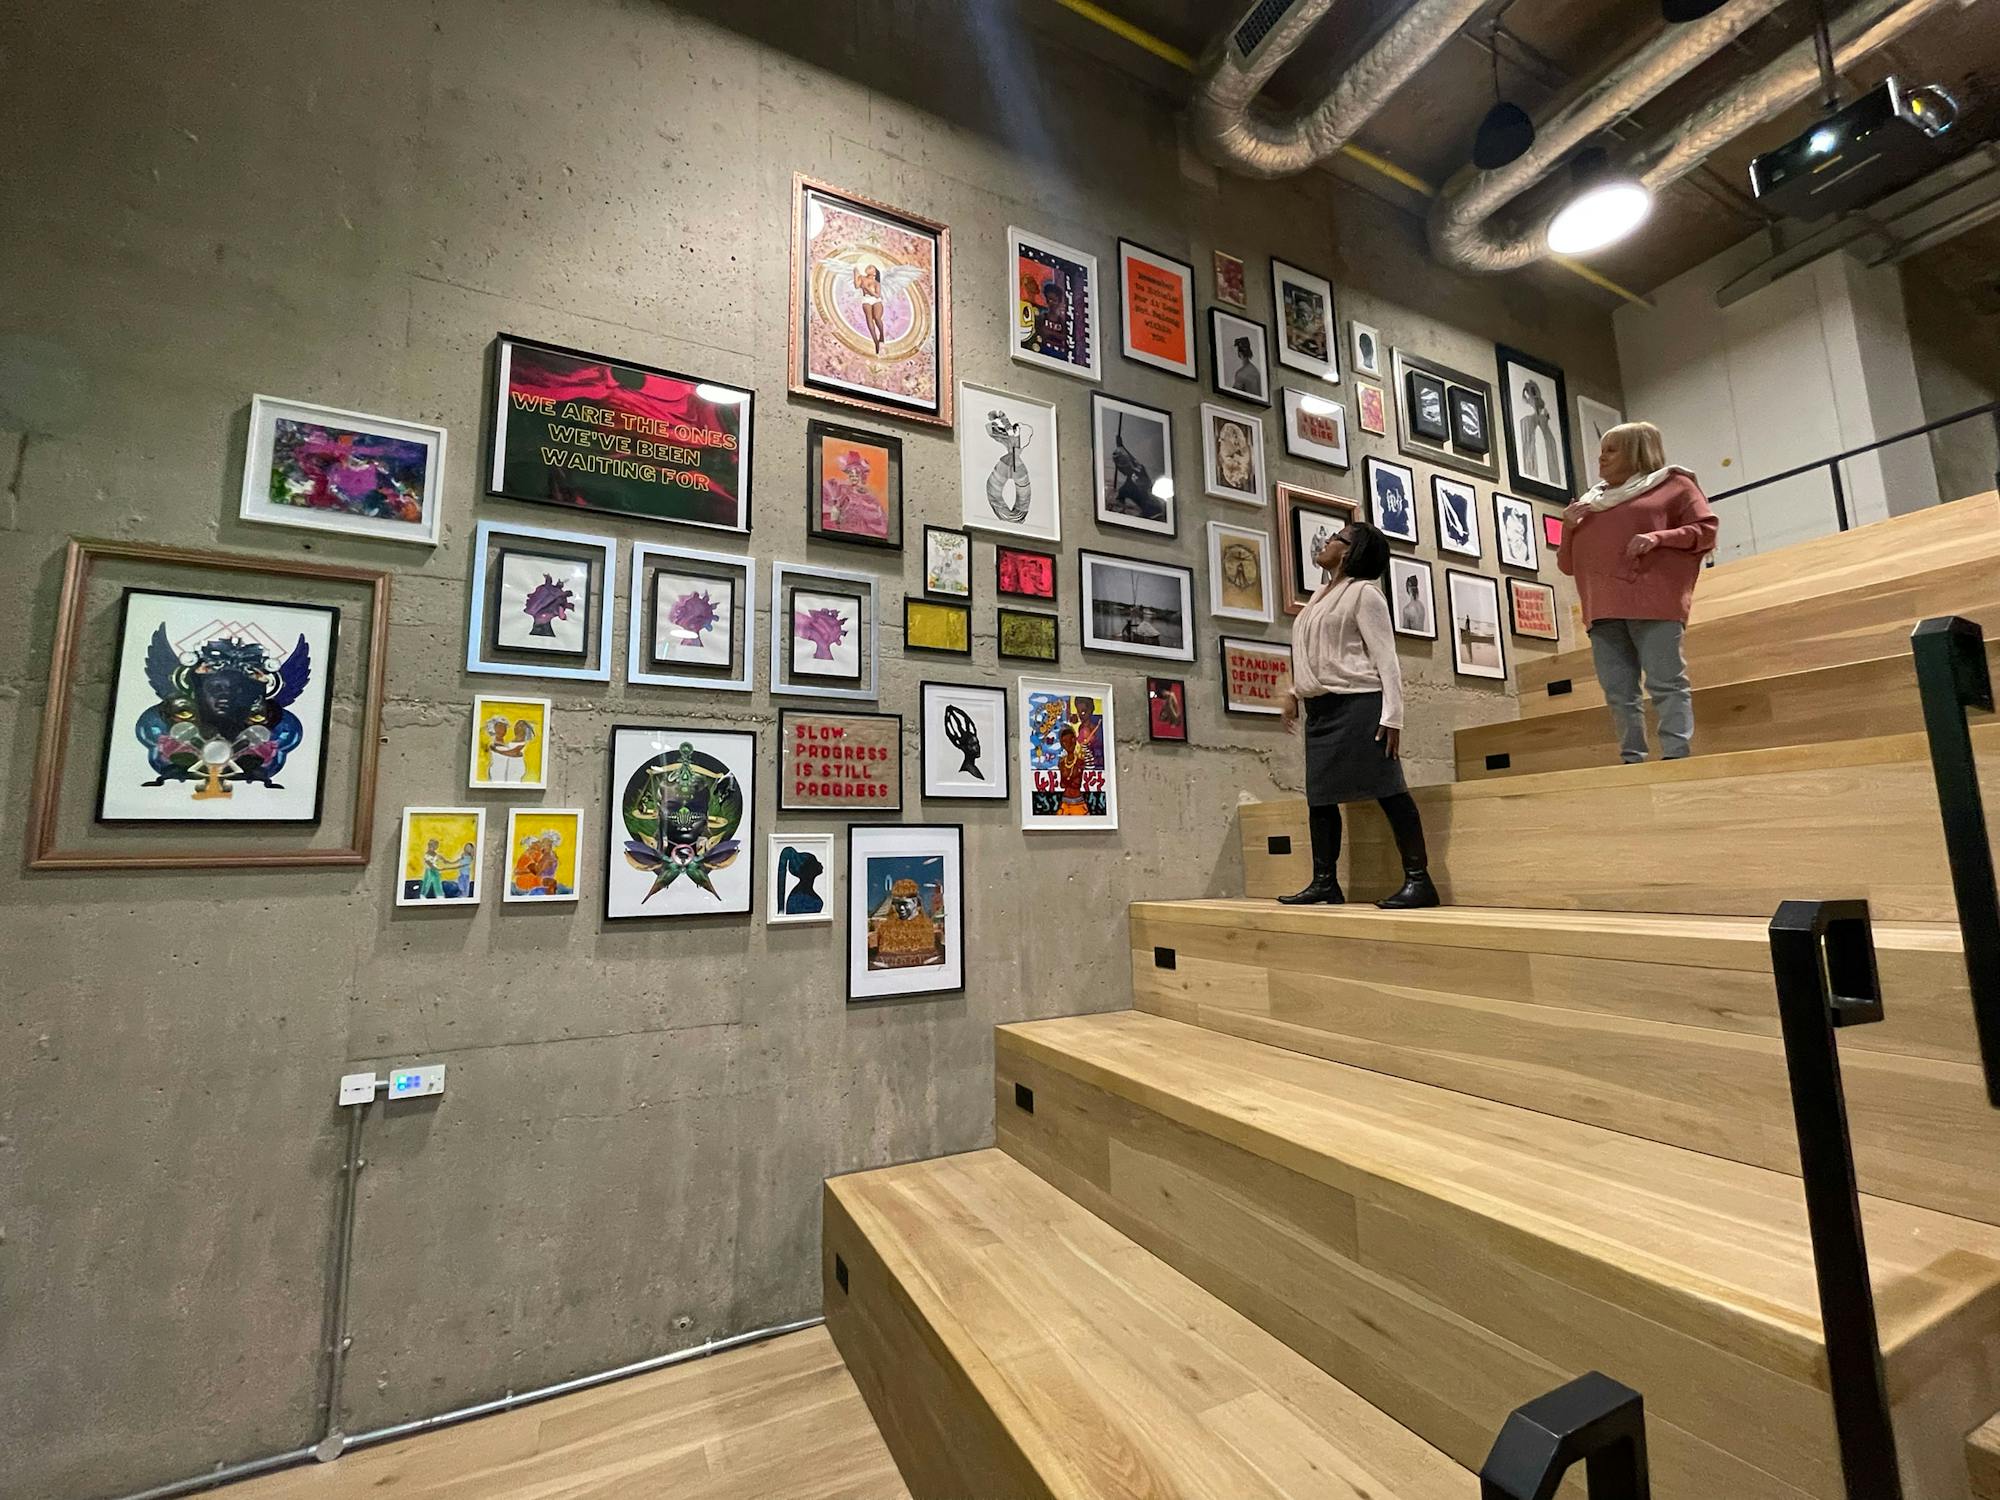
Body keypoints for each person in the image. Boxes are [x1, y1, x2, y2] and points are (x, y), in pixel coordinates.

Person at [1278, 521, 1439, 908]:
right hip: (1322, 712)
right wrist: (1293, 692)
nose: (1327, 541)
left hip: (1359, 707)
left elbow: (1387, 661)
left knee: (1388, 790)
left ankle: (1420, 881)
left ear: (1348, 551)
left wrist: (1393, 717)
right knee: (1320, 798)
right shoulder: (1319, 596)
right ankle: (1325, 883)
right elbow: (1311, 654)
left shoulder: (1365, 595)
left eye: (1336, 537)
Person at [1558, 420, 1718, 763]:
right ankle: (1632, 759)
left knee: (1665, 683)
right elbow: (1567, 565)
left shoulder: (1675, 485)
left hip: (1653, 602)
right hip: (1601, 609)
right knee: (1619, 693)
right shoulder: (1592, 501)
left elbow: (1706, 531)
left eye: (1611, 450)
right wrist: (1569, 528)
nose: (1601, 458)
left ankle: (1676, 755)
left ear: (1637, 451)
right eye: (1601, 451)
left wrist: (1657, 538)